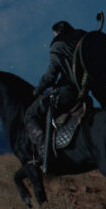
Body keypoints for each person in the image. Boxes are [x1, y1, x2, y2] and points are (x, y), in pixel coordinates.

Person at [24, 20, 86, 164]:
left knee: (30, 114)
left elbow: (51, 76)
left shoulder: (59, 46)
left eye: (54, 34)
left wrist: (37, 91)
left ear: (58, 32)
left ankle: (44, 152)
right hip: (84, 92)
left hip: (67, 92)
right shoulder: (82, 41)